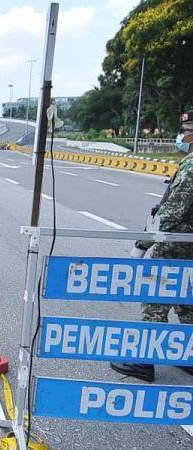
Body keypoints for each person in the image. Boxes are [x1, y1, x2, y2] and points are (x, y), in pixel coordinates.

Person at [110, 112, 193, 382]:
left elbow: (172, 212)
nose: (183, 135)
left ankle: (143, 361)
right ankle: (189, 355)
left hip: (177, 247)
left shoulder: (191, 166)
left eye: (186, 130)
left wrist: (143, 242)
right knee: (187, 303)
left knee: (155, 302)